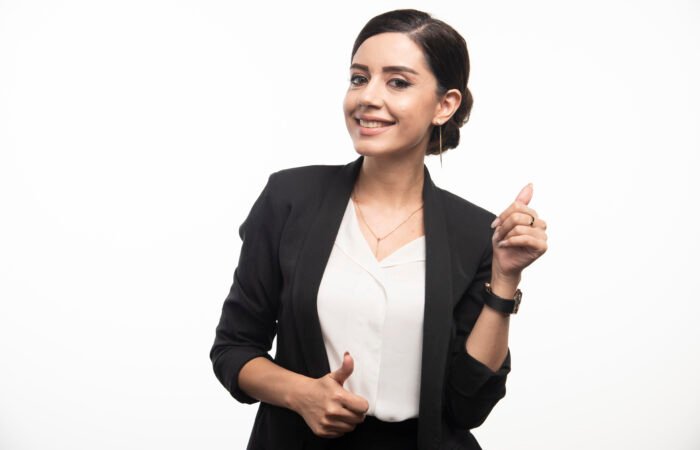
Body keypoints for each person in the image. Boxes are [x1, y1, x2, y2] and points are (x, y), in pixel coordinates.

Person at [210, 8, 548, 450]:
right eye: (359, 78)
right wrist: (301, 394)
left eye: (398, 82)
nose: (367, 97)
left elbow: (469, 405)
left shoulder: (475, 233)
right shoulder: (289, 198)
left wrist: (505, 279)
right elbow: (233, 348)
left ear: (445, 105)